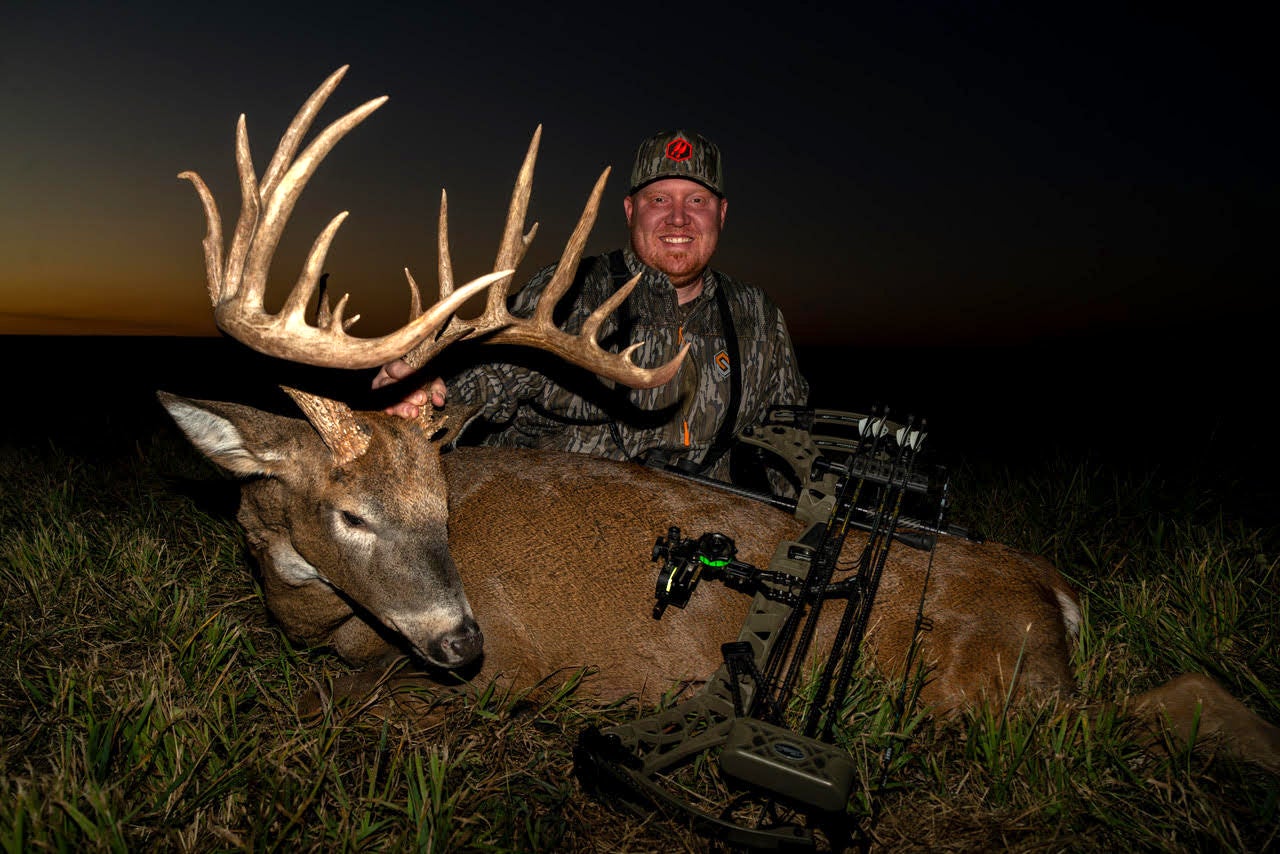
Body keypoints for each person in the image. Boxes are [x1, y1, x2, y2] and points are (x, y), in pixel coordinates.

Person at [374, 129, 808, 491]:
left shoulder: (756, 313)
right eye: (659, 200)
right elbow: (493, 376)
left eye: (697, 201)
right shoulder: (567, 291)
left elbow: (789, 435)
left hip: (700, 540)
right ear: (630, 209)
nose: (679, 219)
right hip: (564, 533)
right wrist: (432, 391)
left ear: (722, 213)